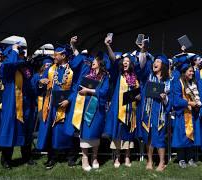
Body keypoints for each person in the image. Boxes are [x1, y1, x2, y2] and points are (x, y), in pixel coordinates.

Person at [65, 51, 110, 171]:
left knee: (95, 133)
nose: (92, 63)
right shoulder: (86, 74)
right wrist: (82, 90)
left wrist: (89, 91)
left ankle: (94, 158)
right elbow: (78, 87)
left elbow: (105, 92)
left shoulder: (105, 77)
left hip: (97, 109)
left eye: (94, 61)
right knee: (84, 133)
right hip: (84, 107)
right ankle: (85, 158)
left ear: (100, 63)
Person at [36, 46, 75, 170]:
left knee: (67, 131)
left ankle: (71, 157)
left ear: (63, 56)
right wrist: (41, 82)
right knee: (51, 131)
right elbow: (41, 82)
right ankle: (51, 158)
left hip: (67, 106)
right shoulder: (51, 69)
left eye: (56, 55)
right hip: (51, 106)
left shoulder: (73, 70)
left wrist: (69, 100)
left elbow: (75, 88)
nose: (54, 57)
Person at [0, 43, 36, 169]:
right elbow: (10, 64)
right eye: (18, 54)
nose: (20, 56)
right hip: (12, 105)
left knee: (26, 131)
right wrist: (13, 50)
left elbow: (31, 84)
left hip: (26, 105)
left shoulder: (25, 69)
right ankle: (6, 160)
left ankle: (27, 157)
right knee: (10, 130)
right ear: (10, 56)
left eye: (21, 54)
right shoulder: (6, 68)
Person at [104, 37, 141, 168]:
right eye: (123, 61)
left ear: (131, 64)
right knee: (117, 134)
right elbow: (113, 60)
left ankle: (127, 157)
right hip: (117, 111)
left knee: (128, 134)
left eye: (127, 61)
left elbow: (138, 93)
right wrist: (108, 46)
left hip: (130, 111)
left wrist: (138, 97)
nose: (125, 63)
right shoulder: (117, 75)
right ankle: (117, 158)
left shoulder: (135, 78)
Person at [137, 51, 172, 171]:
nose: (155, 63)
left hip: (160, 112)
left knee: (160, 137)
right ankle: (150, 161)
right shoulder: (148, 76)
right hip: (148, 111)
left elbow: (169, 101)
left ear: (163, 65)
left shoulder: (167, 82)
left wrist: (165, 98)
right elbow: (141, 68)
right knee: (149, 136)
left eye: (158, 61)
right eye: (155, 61)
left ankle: (162, 162)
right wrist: (142, 51)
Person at [171, 62, 201, 168]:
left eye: (193, 71)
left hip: (192, 114)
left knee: (191, 136)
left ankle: (190, 158)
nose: (192, 73)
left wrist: (197, 104)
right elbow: (176, 100)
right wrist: (188, 103)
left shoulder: (193, 83)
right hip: (182, 115)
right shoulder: (178, 83)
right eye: (190, 71)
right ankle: (181, 159)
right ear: (184, 72)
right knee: (182, 137)